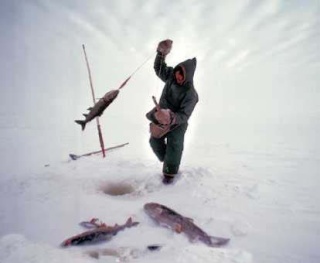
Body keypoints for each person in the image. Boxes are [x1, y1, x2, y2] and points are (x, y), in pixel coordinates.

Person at [146, 39, 199, 184]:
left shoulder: (191, 94)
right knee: (154, 141)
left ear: (188, 75)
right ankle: (167, 159)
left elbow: (184, 115)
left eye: (182, 74)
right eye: (177, 73)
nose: (178, 76)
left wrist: (170, 116)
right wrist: (161, 53)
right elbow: (159, 68)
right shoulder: (170, 77)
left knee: (174, 146)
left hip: (177, 123)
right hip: (160, 117)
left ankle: (169, 174)